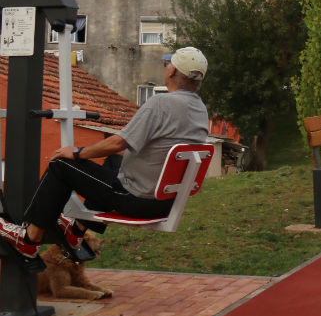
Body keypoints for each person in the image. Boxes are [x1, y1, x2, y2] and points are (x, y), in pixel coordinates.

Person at [0, 47, 210, 259]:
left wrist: (77, 152)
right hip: (164, 201)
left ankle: (28, 239)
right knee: (113, 161)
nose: (166, 67)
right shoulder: (200, 108)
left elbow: (118, 142)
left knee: (62, 165)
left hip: (136, 200)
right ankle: (75, 230)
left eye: (168, 64)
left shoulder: (161, 103)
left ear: (172, 72)